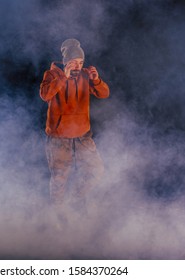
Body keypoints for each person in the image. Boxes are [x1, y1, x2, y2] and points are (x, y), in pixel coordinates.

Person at [39, 38, 110, 214]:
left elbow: (104, 94)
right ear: (65, 63)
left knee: (96, 171)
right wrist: (64, 76)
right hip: (59, 138)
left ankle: (75, 200)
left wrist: (96, 80)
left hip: (82, 135)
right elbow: (45, 95)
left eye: (80, 62)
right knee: (60, 179)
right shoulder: (53, 75)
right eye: (73, 62)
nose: (78, 66)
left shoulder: (85, 75)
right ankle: (57, 213)